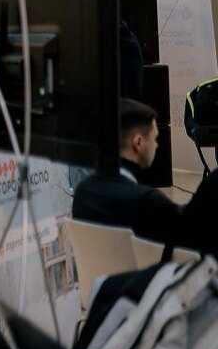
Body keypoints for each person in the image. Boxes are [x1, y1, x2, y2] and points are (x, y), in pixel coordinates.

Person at [72, 99, 183, 244]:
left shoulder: (83, 193)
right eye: (154, 138)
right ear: (138, 142)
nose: (156, 145)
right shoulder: (147, 201)